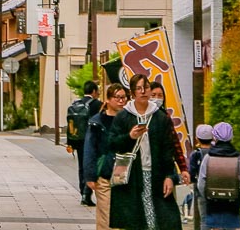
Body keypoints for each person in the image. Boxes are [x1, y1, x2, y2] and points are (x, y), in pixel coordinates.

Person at [108, 73, 182, 230]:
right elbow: (112, 143)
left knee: (160, 219)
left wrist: (170, 176)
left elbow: (167, 149)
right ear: (132, 93)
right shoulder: (123, 116)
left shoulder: (160, 117)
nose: (143, 91)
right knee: (135, 220)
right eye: (138, 88)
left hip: (156, 173)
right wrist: (130, 136)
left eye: (146, 87)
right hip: (132, 175)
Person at [84, 82, 127, 230]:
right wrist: (89, 176)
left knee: (123, 218)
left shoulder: (128, 120)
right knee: (106, 217)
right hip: (105, 174)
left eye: (124, 97)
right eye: (118, 97)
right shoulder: (97, 122)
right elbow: (90, 149)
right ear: (108, 100)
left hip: (125, 175)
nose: (122, 101)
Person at [197, 122, 240, 230]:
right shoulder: (238, 158)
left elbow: (201, 183)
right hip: (232, 201)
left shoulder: (209, 157)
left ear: (214, 137)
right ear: (232, 137)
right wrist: (238, 197)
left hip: (213, 202)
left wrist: (207, 197)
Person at [150, 81, 190, 185]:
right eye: (153, 95)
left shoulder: (165, 117)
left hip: (165, 167)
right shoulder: (141, 116)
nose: (157, 98)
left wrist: (183, 168)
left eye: (160, 95)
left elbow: (175, 143)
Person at [69, 80, 102, 206]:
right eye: (97, 90)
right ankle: (86, 194)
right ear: (94, 91)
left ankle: (83, 191)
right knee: (92, 165)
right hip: (91, 140)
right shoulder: (97, 104)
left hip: (77, 139)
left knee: (81, 166)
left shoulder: (76, 103)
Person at [186, 124, 214, 222]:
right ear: (213, 138)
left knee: (205, 219)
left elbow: (192, 172)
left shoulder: (196, 154)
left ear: (197, 138)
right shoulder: (216, 151)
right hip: (217, 188)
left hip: (201, 190)